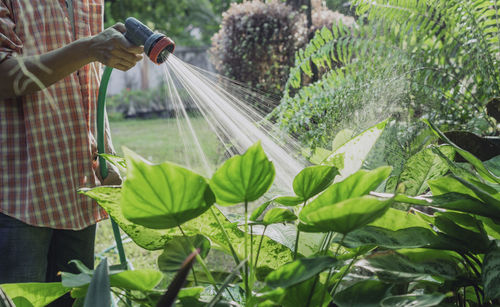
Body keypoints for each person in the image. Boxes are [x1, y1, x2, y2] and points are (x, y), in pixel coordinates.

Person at [0, 0, 142, 305]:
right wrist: (89, 48)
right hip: (18, 190)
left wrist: (105, 151)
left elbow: (85, 82)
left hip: (76, 181)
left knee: (74, 300)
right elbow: (4, 76)